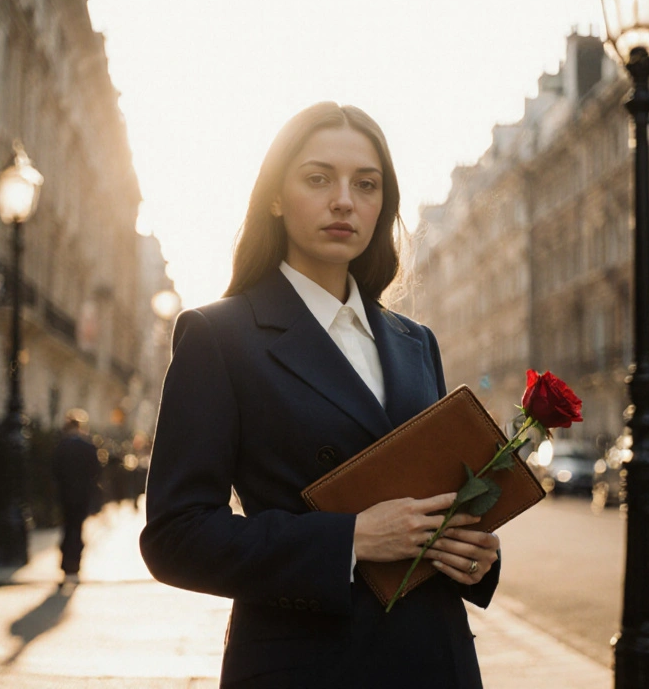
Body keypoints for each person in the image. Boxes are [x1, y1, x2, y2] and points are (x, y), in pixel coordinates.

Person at [141, 102, 502, 688]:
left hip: (436, 660)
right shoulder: (221, 335)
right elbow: (175, 536)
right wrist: (351, 539)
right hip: (309, 666)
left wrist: (476, 556)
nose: (344, 200)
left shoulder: (416, 342)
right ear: (276, 197)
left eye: (366, 184)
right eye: (318, 178)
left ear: (383, 205)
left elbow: (440, 500)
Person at [53, 409, 101, 582]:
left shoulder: (62, 445)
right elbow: (96, 471)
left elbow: (55, 470)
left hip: (66, 493)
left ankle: (66, 562)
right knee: (78, 527)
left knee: (67, 527)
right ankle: (75, 563)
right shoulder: (87, 445)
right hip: (83, 493)